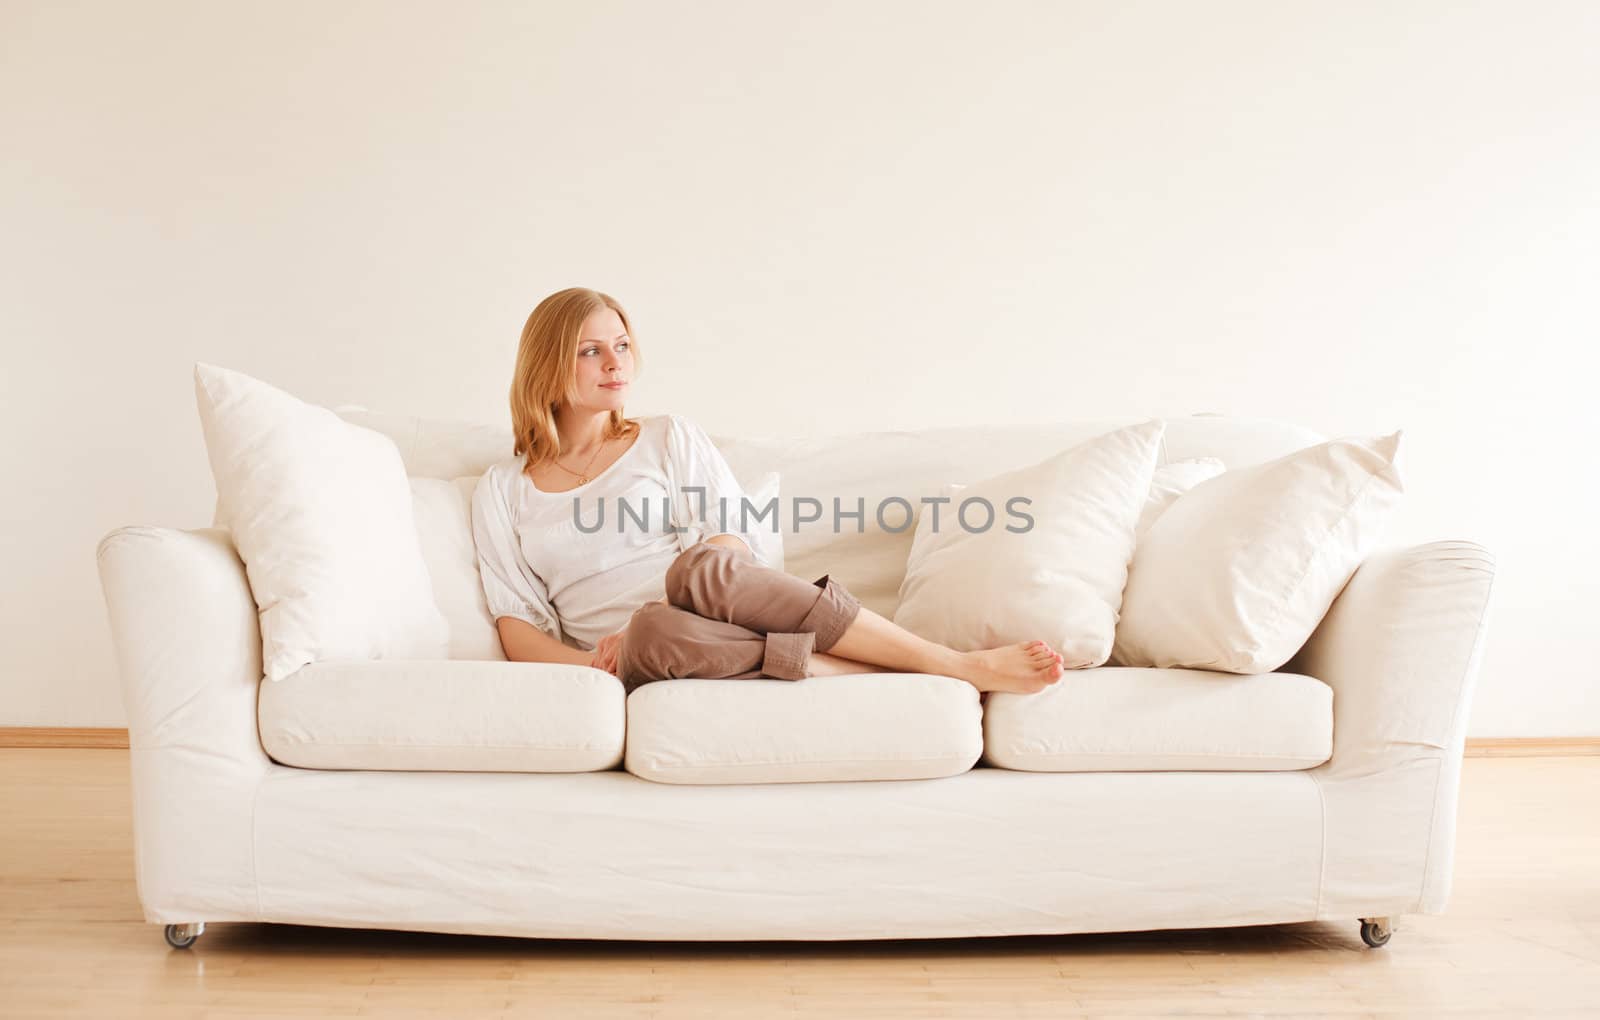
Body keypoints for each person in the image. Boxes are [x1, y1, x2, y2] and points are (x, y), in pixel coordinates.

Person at [470, 287, 1066, 696]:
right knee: (652, 631)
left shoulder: (666, 437)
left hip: (705, 608)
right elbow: (516, 622)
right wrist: (594, 663)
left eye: (621, 345)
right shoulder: (503, 490)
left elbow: (728, 539)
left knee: (703, 566)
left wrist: (677, 600)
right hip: (646, 651)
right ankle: (845, 667)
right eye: (590, 351)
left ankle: (950, 664)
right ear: (548, 365)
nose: (614, 363)